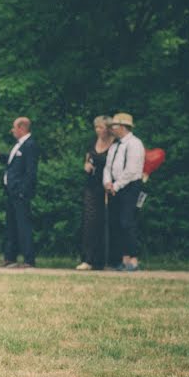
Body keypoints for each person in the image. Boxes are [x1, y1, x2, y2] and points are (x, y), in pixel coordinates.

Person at [0, 117, 39, 268]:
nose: (12, 130)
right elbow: (12, 161)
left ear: (22, 128)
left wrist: (22, 191)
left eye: (14, 127)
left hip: (20, 193)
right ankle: (10, 258)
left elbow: (31, 172)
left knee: (23, 226)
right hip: (11, 191)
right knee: (11, 225)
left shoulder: (30, 145)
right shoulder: (19, 145)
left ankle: (28, 259)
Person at [103, 112, 145, 271]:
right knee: (115, 224)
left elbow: (131, 170)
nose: (112, 129)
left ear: (122, 127)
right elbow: (108, 166)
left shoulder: (135, 144)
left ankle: (133, 259)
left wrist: (117, 185)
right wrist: (107, 182)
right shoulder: (114, 145)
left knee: (127, 222)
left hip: (129, 187)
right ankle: (122, 259)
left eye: (114, 125)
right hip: (114, 187)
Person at [76, 116, 114, 270]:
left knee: (108, 222)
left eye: (101, 127)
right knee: (90, 222)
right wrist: (86, 166)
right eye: (96, 127)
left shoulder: (115, 145)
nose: (98, 130)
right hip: (91, 186)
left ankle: (107, 260)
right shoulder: (93, 143)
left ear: (108, 128)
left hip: (108, 186)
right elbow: (88, 159)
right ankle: (88, 259)